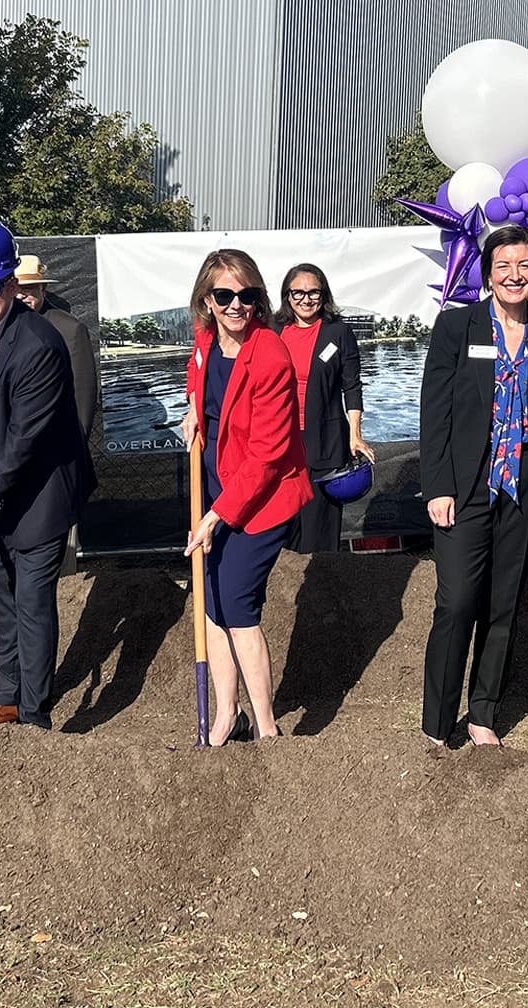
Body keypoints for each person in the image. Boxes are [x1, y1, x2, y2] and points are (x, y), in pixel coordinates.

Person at [420, 225, 528, 747]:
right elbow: (435, 413)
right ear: (488, 272)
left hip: (523, 491)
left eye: (525, 265)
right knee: (458, 602)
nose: (516, 276)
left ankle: (483, 713)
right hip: (466, 490)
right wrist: (437, 486)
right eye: (504, 266)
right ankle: (438, 723)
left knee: (503, 606)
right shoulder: (455, 327)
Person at [0, 221, 95, 730]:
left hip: (40, 495)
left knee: (31, 605)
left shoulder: (39, 344)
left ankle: (34, 715)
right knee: (3, 598)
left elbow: (25, 442)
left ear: (12, 285)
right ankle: (5, 695)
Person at [178, 249, 312, 744]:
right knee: (210, 599)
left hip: (263, 498)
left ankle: (267, 726)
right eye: (225, 296)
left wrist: (217, 516)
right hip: (216, 483)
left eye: (247, 296)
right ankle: (224, 714)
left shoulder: (272, 355)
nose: (237, 306)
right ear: (207, 300)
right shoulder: (204, 338)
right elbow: (197, 376)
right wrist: (193, 409)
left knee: (236, 604)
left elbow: (267, 456)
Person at [274, 261, 374, 553]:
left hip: (325, 442)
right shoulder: (272, 329)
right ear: (287, 296)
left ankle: (323, 584)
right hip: (281, 439)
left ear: (324, 294)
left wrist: (355, 434)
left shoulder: (338, 332)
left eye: (314, 292)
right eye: (298, 293)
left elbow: (352, 387)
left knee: (320, 522)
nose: (306, 299)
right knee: (284, 519)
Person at [14, 253, 102, 570]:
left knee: (56, 556)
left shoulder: (69, 330)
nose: (25, 295)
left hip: (58, 462)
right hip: (12, 461)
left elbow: (83, 397)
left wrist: (68, 453)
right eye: (19, 288)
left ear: (43, 291)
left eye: (33, 289)